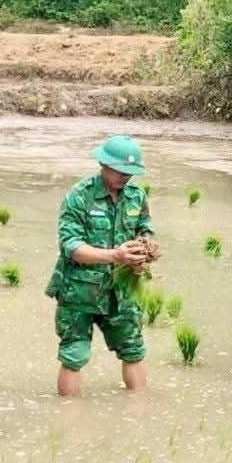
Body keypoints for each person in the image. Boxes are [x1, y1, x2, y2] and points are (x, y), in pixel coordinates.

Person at [46, 135, 158, 397]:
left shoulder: (136, 196)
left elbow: (145, 229)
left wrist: (145, 251)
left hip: (123, 291)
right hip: (79, 291)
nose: (125, 177)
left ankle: (137, 414)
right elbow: (71, 246)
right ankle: (69, 422)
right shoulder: (80, 196)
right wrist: (115, 256)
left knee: (133, 349)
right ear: (103, 164)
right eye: (120, 171)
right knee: (74, 354)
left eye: (130, 172)